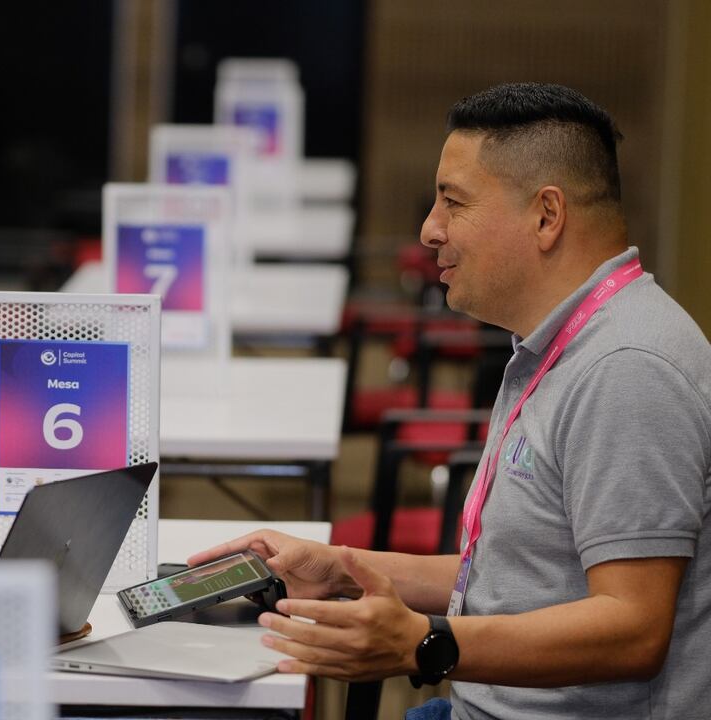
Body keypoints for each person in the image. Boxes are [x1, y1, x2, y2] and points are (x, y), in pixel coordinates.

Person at [191, 83, 711, 719]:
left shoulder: (626, 369)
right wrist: (339, 567)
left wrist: (424, 644)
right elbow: (515, 576)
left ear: (547, 215)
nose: (429, 229)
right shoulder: (560, 343)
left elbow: (633, 630)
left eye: (454, 202)